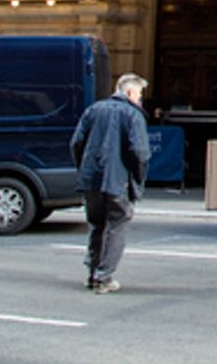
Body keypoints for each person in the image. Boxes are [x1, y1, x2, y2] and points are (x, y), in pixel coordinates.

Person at [71, 73, 151, 294]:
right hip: (118, 180)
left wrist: (84, 169)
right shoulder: (133, 115)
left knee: (97, 224)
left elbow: (76, 143)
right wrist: (137, 179)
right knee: (117, 224)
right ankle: (103, 277)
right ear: (130, 92)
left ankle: (93, 273)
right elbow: (140, 153)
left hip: (92, 179)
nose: (140, 99)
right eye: (139, 94)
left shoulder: (94, 110)